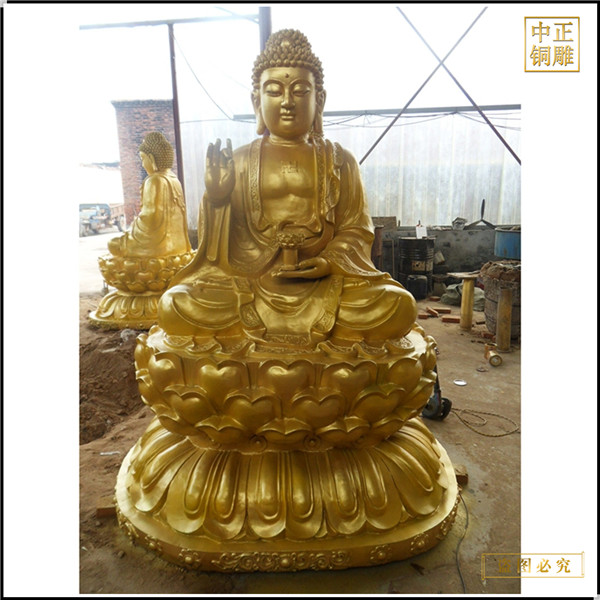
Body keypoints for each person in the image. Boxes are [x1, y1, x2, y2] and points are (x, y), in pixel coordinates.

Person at [158, 29, 416, 350]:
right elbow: (216, 254)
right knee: (175, 304)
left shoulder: (341, 161)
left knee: (397, 305)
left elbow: (356, 231)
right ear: (257, 101)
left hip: (324, 285)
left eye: (300, 91)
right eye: (274, 91)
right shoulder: (237, 161)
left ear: (319, 99)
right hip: (250, 283)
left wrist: (328, 262)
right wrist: (217, 198)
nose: (287, 102)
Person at [108, 131, 191, 258]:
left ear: (151, 159)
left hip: (157, 247)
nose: (142, 164)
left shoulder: (154, 180)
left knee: (113, 244)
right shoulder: (175, 180)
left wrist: (135, 223)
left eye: (143, 159)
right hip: (180, 246)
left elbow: (151, 217)